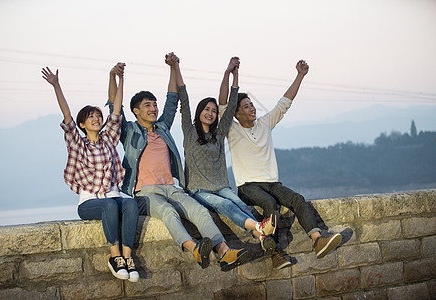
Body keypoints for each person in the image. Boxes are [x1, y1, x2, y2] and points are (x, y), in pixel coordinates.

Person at [107, 53, 252, 272]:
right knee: (168, 213)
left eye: (154, 105)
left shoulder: (162, 127)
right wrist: (115, 78)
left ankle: (224, 252)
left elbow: (172, 100)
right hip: (146, 193)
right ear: (136, 111)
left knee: (201, 212)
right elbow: (113, 109)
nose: (153, 109)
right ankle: (195, 248)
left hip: (172, 188)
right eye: (147, 105)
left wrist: (174, 68)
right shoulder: (128, 131)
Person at [219, 60, 342, 269]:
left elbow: (285, 102)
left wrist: (300, 75)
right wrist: (228, 74)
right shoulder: (232, 129)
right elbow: (223, 104)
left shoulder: (265, 124)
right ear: (237, 114)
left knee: (297, 199)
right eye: (246, 107)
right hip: (248, 187)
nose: (252, 109)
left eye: (251, 105)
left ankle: (317, 240)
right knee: (270, 204)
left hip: (272, 183)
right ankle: (275, 253)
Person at [42, 64, 140, 282]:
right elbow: (66, 115)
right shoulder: (78, 144)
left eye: (98, 115)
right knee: (110, 205)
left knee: (131, 204)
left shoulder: (108, 140)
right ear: (82, 124)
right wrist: (57, 86)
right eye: (91, 117)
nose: (97, 119)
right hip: (90, 202)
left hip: (113, 196)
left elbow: (116, 109)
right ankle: (114, 257)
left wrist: (120, 78)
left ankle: (127, 258)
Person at [178, 57, 277, 255]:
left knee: (239, 204)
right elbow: (185, 99)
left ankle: (261, 236)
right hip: (199, 190)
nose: (210, 113)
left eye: (214, 111)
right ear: (199, 112)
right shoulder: (190, 132)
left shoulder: (218, 134)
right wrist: (176, 67)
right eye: (206, 109)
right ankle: (259, 229)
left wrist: (233, 74)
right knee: (224, 205)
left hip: (221, 185)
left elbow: (231, 105)